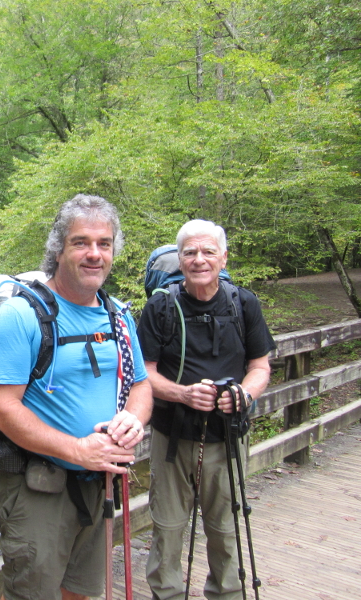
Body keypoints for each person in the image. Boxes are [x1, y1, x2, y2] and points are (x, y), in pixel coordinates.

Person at [0, 194, 153, 600]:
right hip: (39, 490)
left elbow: (141, 385)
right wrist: (77, 449)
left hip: (99, 485)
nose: (94, 254)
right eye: (81, 242)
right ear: (58, 249)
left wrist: (134, 418)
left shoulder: (119, 316)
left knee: (81, 594)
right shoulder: (22, 316)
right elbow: (0, 409)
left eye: (104, 243)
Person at [137, 219, 276, 600]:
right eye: (190, 253)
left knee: (227, 527)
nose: (199, 260)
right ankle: (166, 594)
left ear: (223, 257)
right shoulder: (160, 307)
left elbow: (260, 366)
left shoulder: (243, 303)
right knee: (167, 528)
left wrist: (243, 396)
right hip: (172, 437)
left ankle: (226, 593)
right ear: (180, 260)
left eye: (208, 251)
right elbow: (143, 374)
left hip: (227, 437)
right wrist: (183, 394)